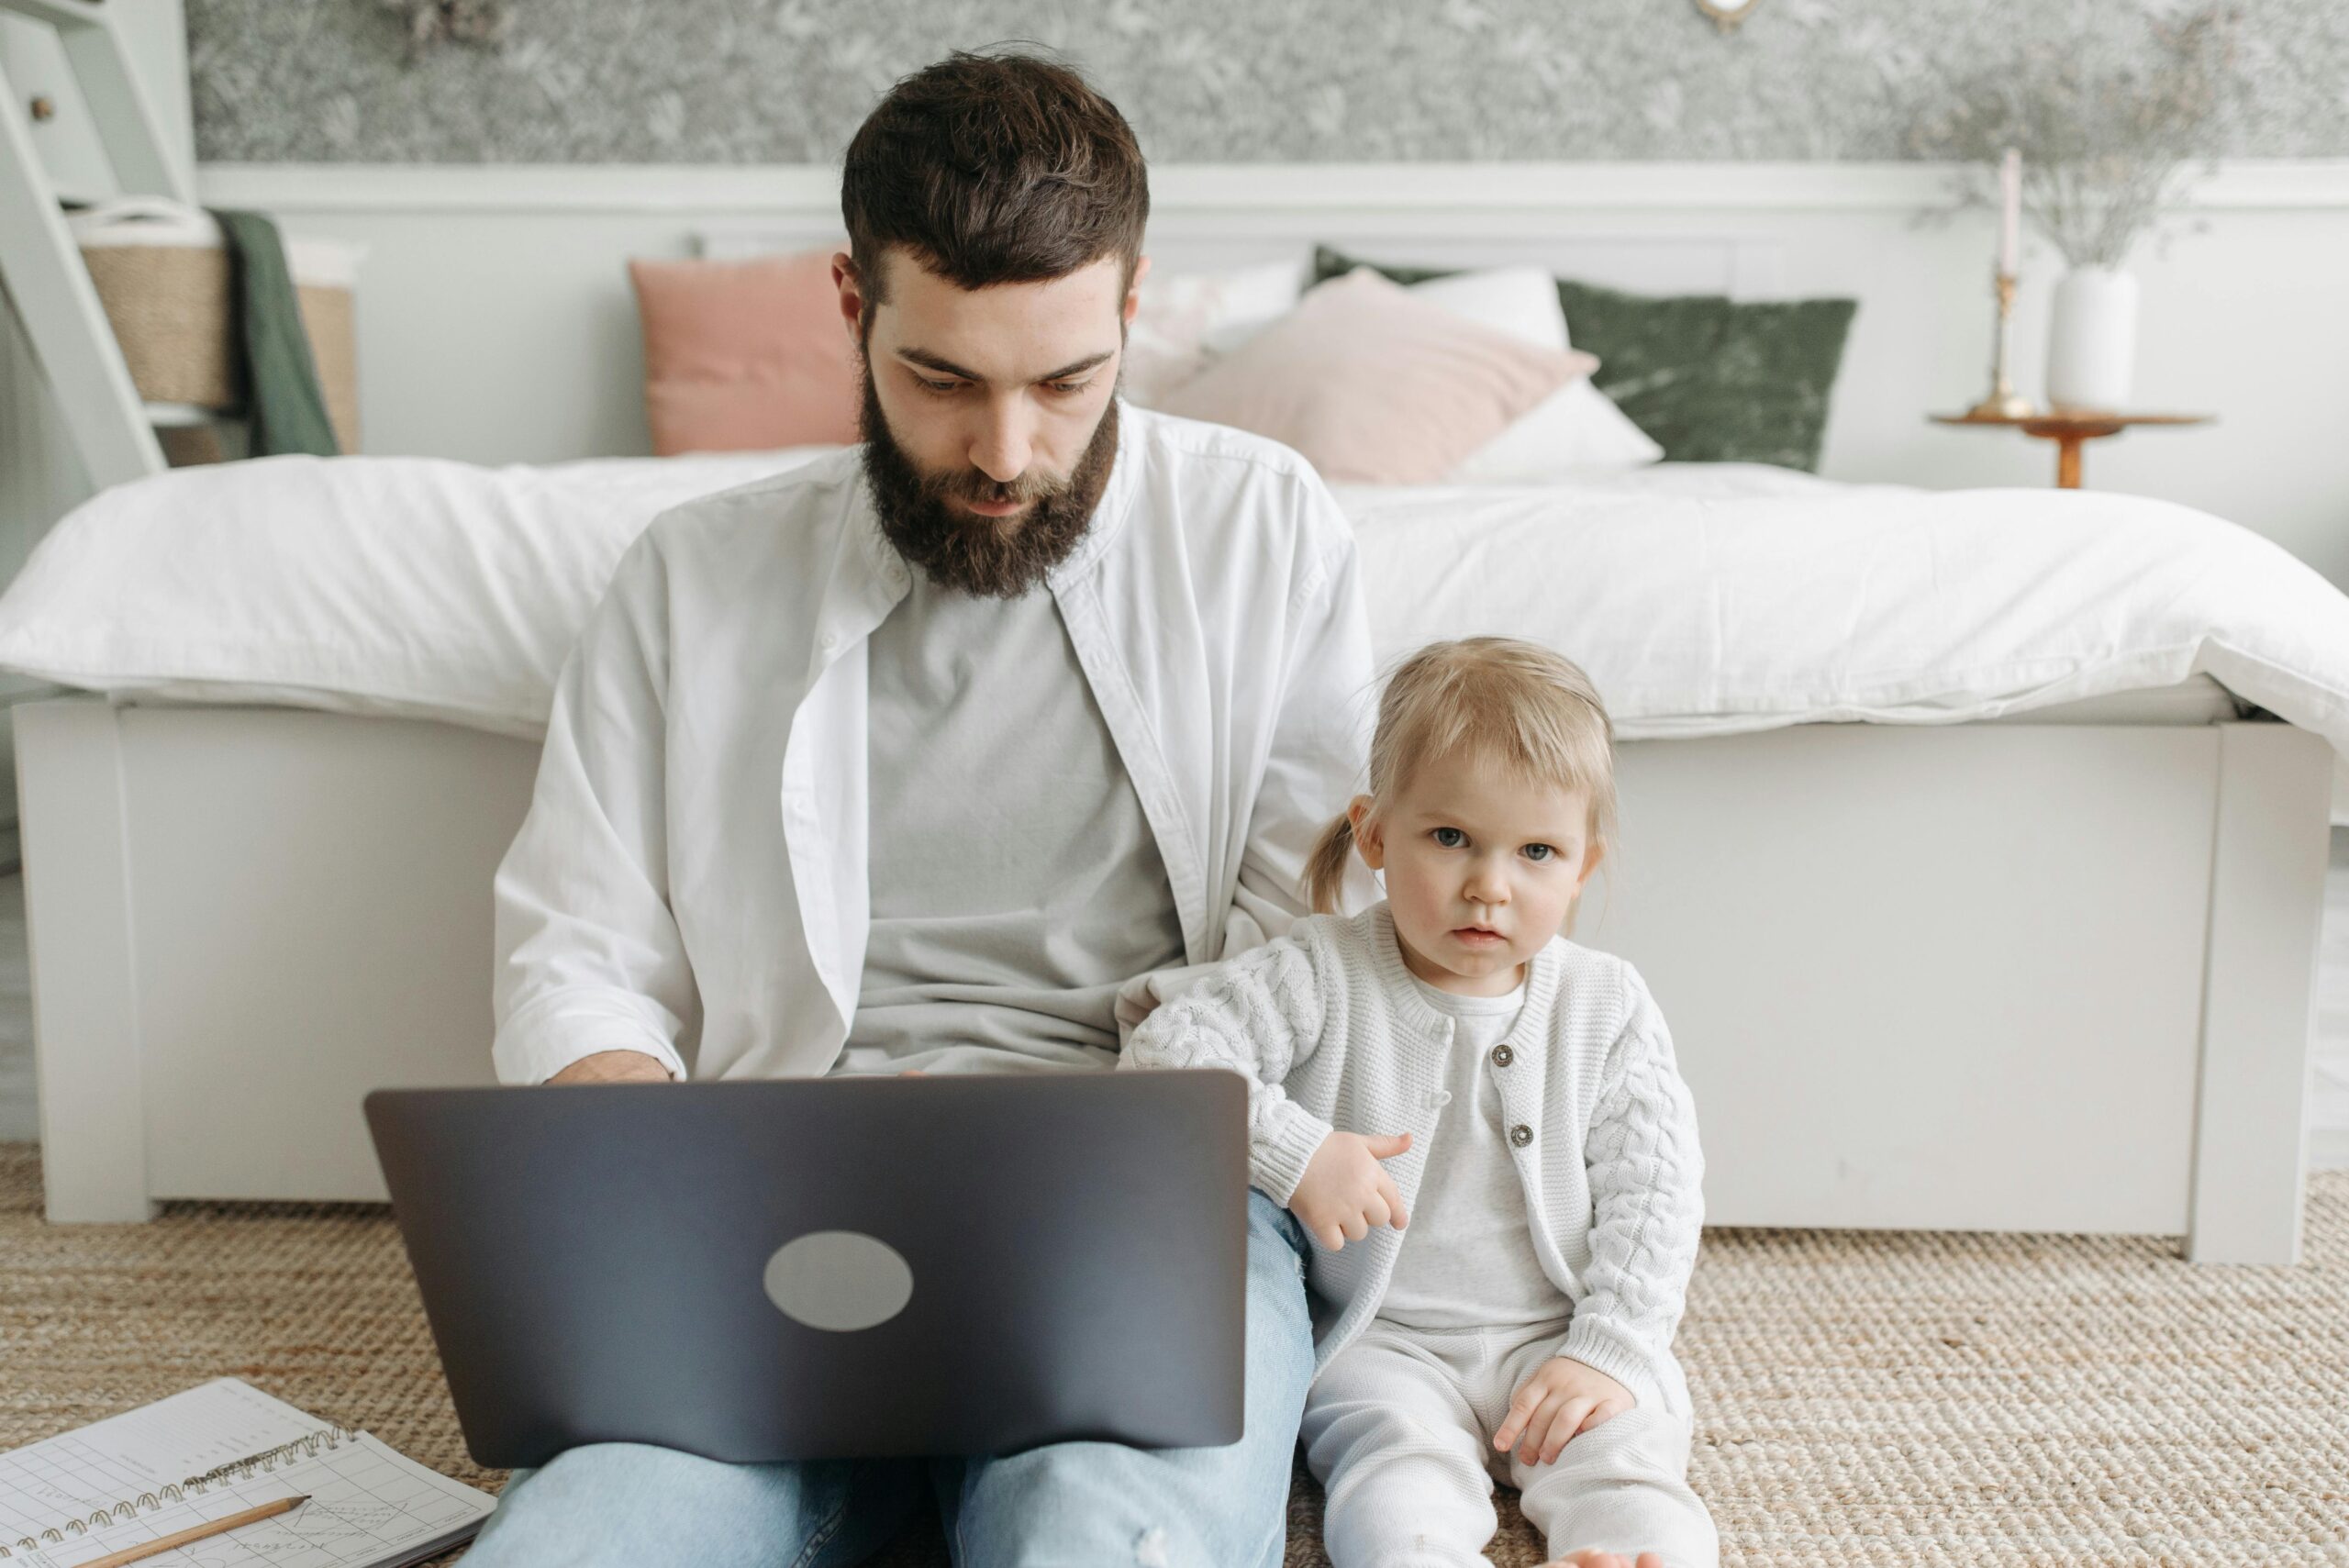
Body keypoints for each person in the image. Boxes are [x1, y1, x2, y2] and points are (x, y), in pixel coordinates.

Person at [467, 46, 1378, 1568]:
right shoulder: (691, 579)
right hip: (776, 1198)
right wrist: (647, 1173)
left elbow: (1315, 943)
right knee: (591, 1535)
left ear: (1133, 306)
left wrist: (1081, 1127)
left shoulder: (1265, 529)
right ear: (851, 305)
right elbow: (578, 945)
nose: (1006, 453)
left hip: (1148, 1186)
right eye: (941, 379)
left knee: (1104, 1534)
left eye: (1065, 382)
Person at [1124, 638, 1719, 1568]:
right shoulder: (1319, 970)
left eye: (1536, 851)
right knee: (1395, 1475)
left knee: (1630, 1454)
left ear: (1581, 866)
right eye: (1450, 837)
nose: (1490, 882)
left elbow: (1657, 1191)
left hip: (1556, 1329)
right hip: (1384, 1342)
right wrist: (1294, 1148)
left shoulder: (1608, 1004)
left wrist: (1609, 1346)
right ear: (1373, 833)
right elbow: (1167, 1050)